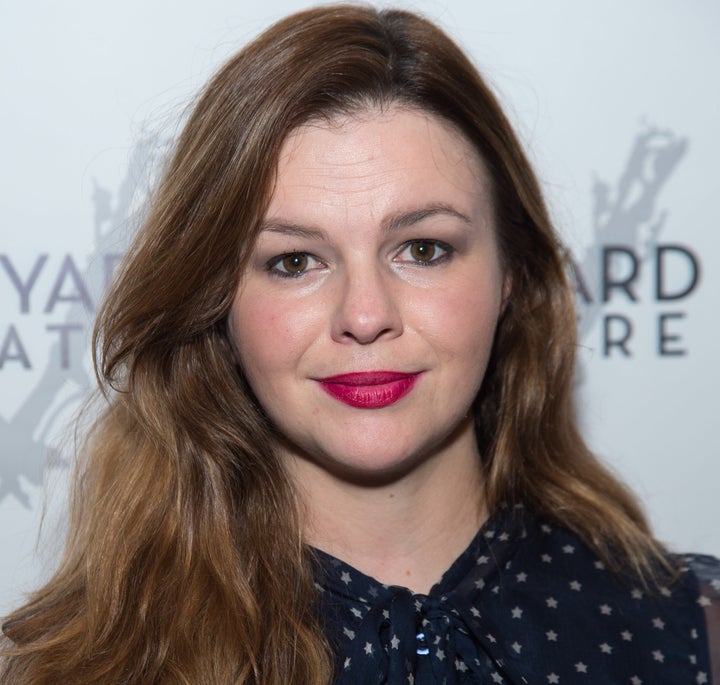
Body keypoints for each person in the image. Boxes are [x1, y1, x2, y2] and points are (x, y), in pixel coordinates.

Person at [1, 4, 718, 684]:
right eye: (294, 261)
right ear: (216, 304)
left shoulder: (692, 631)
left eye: (424, 248)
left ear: (513, 276)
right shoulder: (58, 664)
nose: (365, 314)